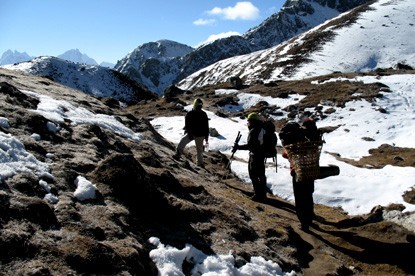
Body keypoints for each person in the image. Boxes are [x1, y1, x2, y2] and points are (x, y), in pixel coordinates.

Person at [281, 118, 322, 231]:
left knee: (300, 198)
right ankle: (309, 219)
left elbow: (285, 154)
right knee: (308, 196)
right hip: (311, 170)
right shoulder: (312, 139)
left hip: (297, 172)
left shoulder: (293, 142)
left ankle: (304, 224)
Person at [233, 112, 267, 201]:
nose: (248, 123)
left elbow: (250, 146)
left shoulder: (254, 131)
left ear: (252, 121)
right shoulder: (262, 129)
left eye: (249, 121)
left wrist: (238, 147)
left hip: (255, 155)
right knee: (261, 174)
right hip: (262, 155)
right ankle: (263, 194)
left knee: (253, 174)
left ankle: (258, 194)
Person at [173, 98, 209, 168]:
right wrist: (189, 134)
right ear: (195, 105)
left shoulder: (203, 114)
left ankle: (200, 164)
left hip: (200, 135)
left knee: (199, 150)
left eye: (201, 105)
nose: (200, 107)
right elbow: (187, 125)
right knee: (182, 142)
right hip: (192, 134)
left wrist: (206, 137)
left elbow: (206, 126)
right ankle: (178, 154)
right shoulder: (190, 114)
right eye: (199, 105)